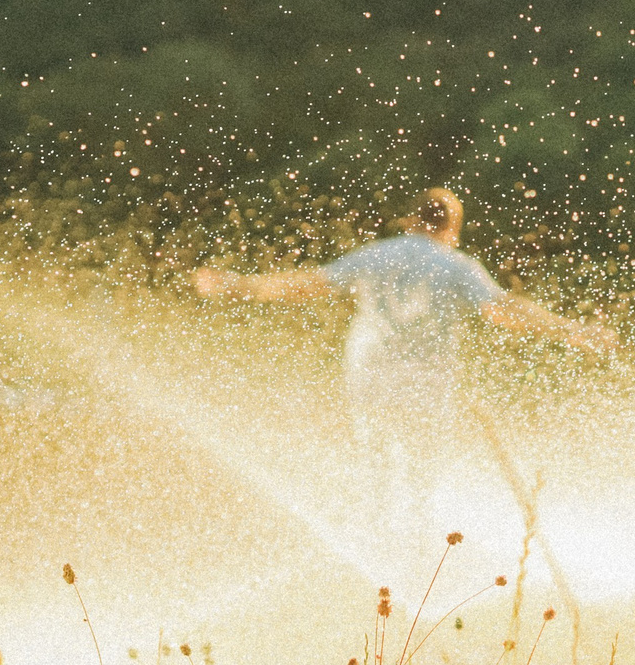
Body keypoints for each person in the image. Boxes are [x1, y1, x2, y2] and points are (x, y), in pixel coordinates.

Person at [194, 187, 613, 470]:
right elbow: (501, 309)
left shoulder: (376, 255)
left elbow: (310, 285)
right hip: (424, 376)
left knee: (377, 463)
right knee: (423, 469)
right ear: (453, 227)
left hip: (369, 371)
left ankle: (382, 542)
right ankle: (416, 552)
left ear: (414, 220)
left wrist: (240, 285)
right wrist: (573, 331)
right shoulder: (454, 264)